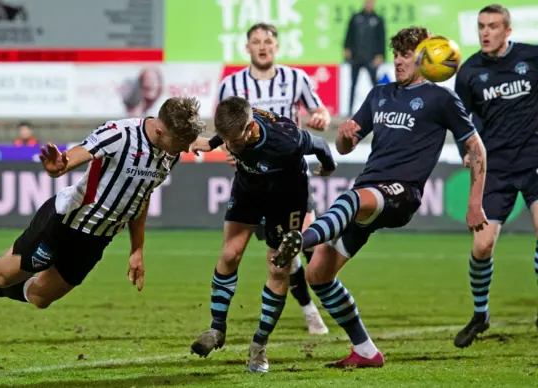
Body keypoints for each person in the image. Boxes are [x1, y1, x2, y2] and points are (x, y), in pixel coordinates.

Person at [271, 26, 488, 368]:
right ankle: (366, 351)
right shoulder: (379, 94)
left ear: (425, 58)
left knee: (352, 199)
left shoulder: (441, 98)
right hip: (370, 189)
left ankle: (300, 239)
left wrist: (475, 201)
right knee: (318, 275)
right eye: (397, 53)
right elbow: (347, 143)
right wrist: (344, 137)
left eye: (407, 55)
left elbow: (476, 148)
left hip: (402, 193)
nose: (400, 61)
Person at [0, 97, 205, 335]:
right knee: (2, 275)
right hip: (65, 222)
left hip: (97, 239)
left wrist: (137, 250)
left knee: (40, 297)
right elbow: (74, 157)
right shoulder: (120, 134)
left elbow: (140, 198)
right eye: (180, 141)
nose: (184, 149)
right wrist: (59, 166)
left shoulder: (171, 153)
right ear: (159, 130)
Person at [188, 96, 337, 373]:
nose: (230, 147)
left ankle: (259, 346)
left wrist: (328, 167)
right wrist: (210, 143)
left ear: (250, 128)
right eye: (225, 139)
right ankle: (216, 329)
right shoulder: (235, 123)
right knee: (229, 254)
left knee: (278, 268)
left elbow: (321, 145)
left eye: (234, 141)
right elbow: (225, 135)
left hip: (287, 198)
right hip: (248, 189)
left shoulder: (286, 140)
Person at [217, 22, 332, 335]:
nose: (263, 46)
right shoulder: (231, 84)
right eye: (256, 41)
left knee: (304, 242)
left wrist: (321, 117)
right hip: (253, 182)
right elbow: (225, 131)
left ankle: (320, 299)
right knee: (277, 255)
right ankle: (309, 310)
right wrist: (230, 149)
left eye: (268, 40)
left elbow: (319, 109)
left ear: (276, 46)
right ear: (248, 48)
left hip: (292, 179)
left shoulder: (296, 78)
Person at [452, 4, 538, 347]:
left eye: (492, 26)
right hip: (495, 168)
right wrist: (465, 152)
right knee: (482, 246)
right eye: (481, 26)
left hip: (534, 160)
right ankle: (480, 314)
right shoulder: (470, 71)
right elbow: (461, 124)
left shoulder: (532, 59)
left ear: (508, 31)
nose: (485, 32)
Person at [343, 0, 386, 116]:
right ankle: (349, 111)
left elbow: (382, 39)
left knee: (375, 85)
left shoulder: (378, 19)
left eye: (371, 2)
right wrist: (346, 48)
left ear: (374, 3)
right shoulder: (355, 18)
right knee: (353, 84)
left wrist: (380, 55)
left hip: (371, 58)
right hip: (356, 57)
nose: (369, 4)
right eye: (367, 1)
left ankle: (380, 109)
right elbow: (349, 35)